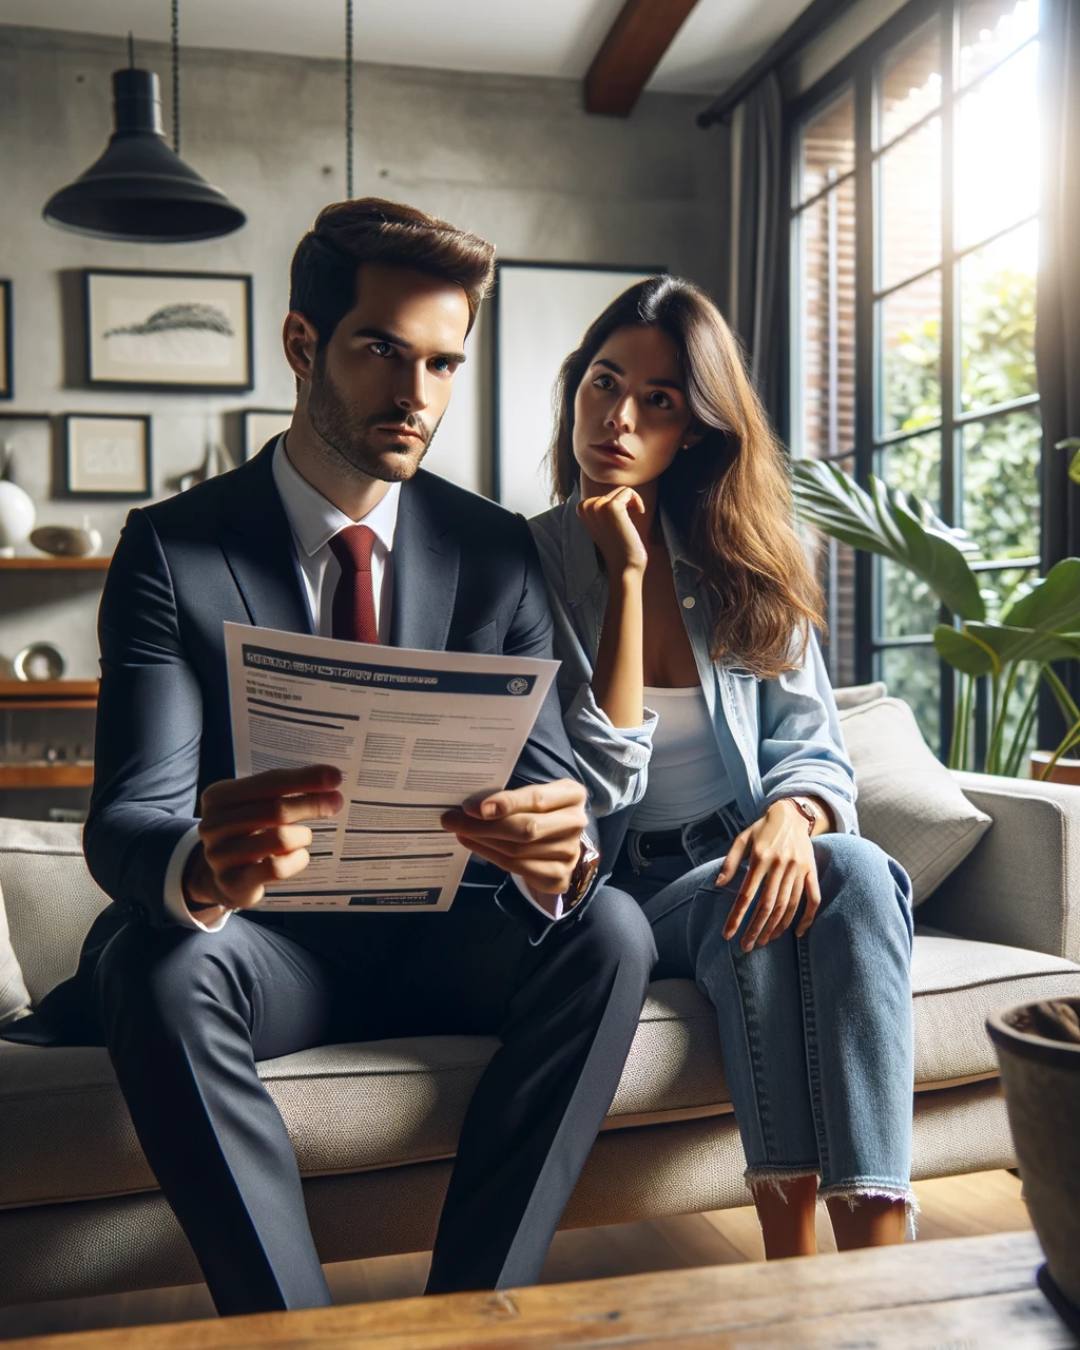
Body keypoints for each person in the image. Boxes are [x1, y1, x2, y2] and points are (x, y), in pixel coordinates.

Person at [5, 200, 656, 1315]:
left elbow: (551, 783)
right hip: (269, 953)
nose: (417, 397)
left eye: (444, 364)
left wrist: (557, 847)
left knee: (609, 926)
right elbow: (128, 820)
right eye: (381, 352)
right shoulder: (175, 547)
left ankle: (475, 1318)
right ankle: (292, 1339)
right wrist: (203, 868)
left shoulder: (497, 552)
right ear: (304, 345)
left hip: (447, 937)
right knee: (159, 963)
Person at [528, 274, 915, 1259]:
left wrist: (794, 819)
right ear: (576, 386)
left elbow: (814, 745)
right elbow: (585, 781)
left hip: (741, 853)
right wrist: (622, 578)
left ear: (694, 430)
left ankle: (876, 1244)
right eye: (604, 382)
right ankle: (791, 1262)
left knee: (853, 869)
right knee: (755, 897)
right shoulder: (519, 565)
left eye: (658, 399)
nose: (619, 416)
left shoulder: (743, 560)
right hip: (619, 891)